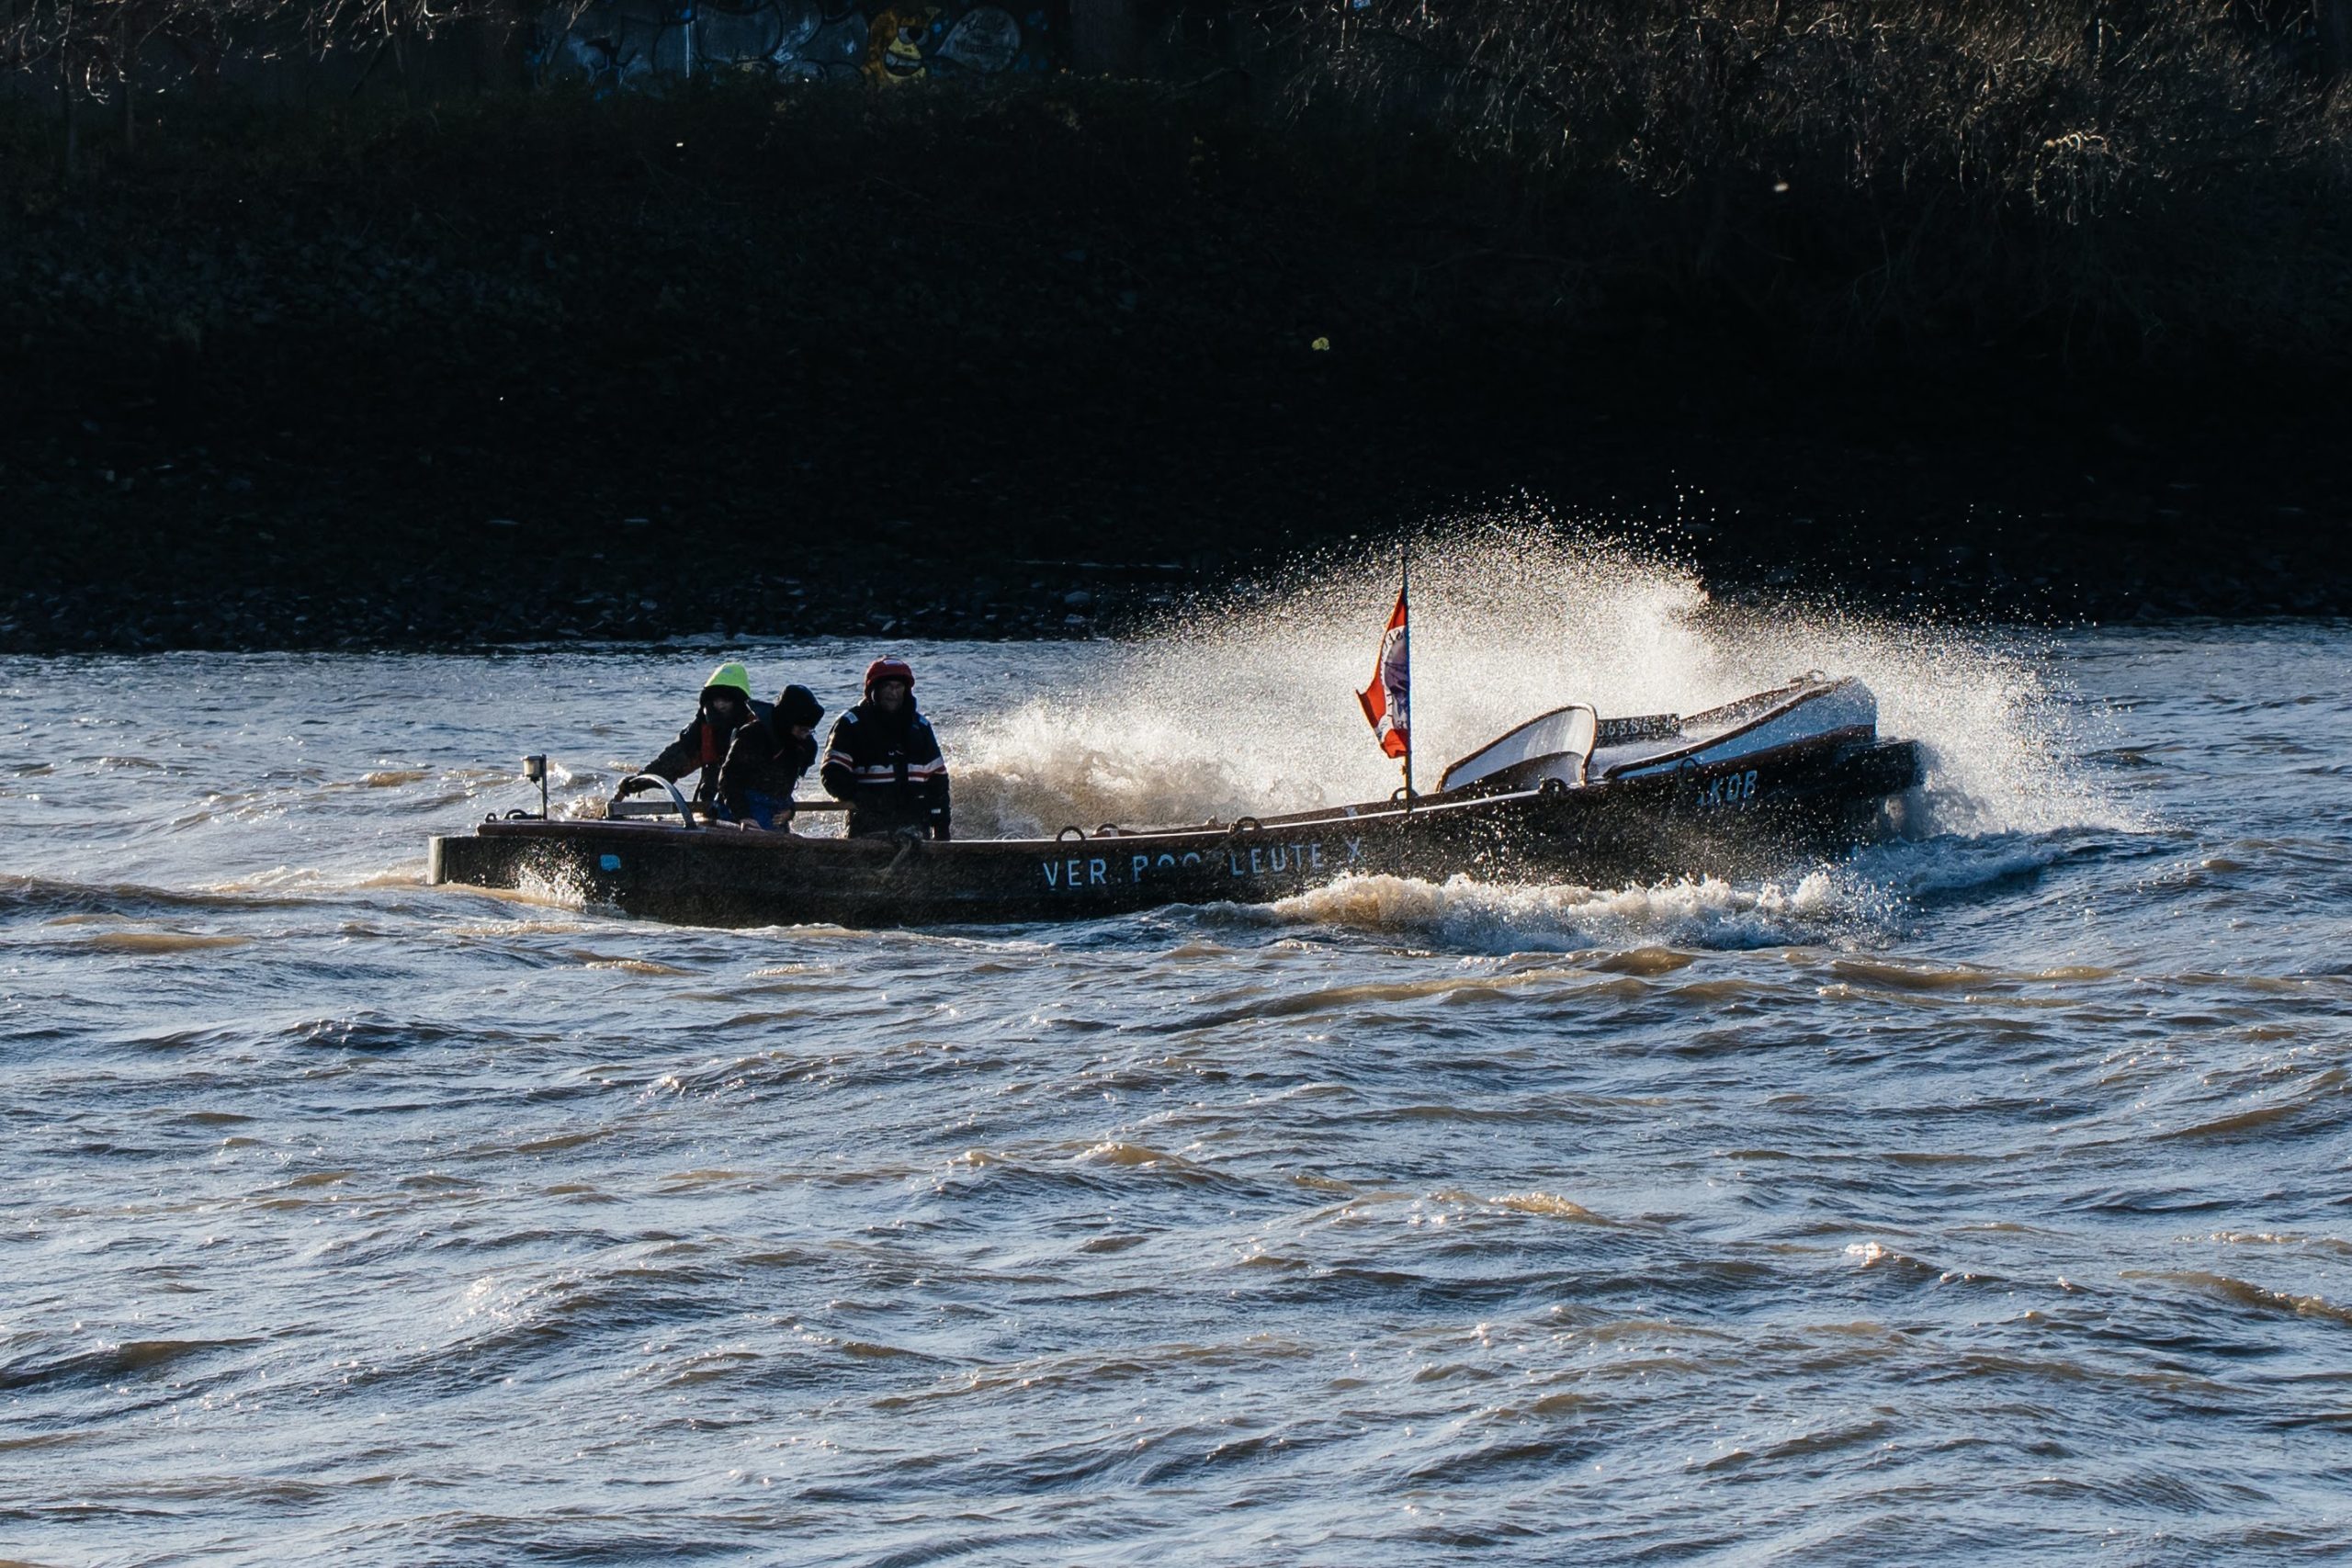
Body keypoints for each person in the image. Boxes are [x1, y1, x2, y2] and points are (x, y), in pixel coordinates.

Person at [612, 660, 773, 814]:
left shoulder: (760, 728)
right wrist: (635, 783)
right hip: (712, 804)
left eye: (726, 700)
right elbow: (671, 762)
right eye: (716, 700)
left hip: (757, 805)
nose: (720, 705)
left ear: (740, 701)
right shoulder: (700, 729)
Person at [820, 657, 951, 840]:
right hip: (868, 829)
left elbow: (938, 781)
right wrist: (865, 800)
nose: (893, 693)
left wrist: (942, 828)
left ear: (907, 690)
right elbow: (832, 774)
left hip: (916, 830)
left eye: (899, 687)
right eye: (887, 687)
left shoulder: (921, 727)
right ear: (873, 690)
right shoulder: (851, 724)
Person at [718, 684, 824, 831]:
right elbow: (728, 779)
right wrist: (743, 816)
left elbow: (786, 788)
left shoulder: (803, 746)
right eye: (801, 729)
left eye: (809, 731)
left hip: (774, 815)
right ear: (787, 722)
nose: (804, 735)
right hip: (739, 812)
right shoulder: (752, 736)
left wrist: (790, 810)